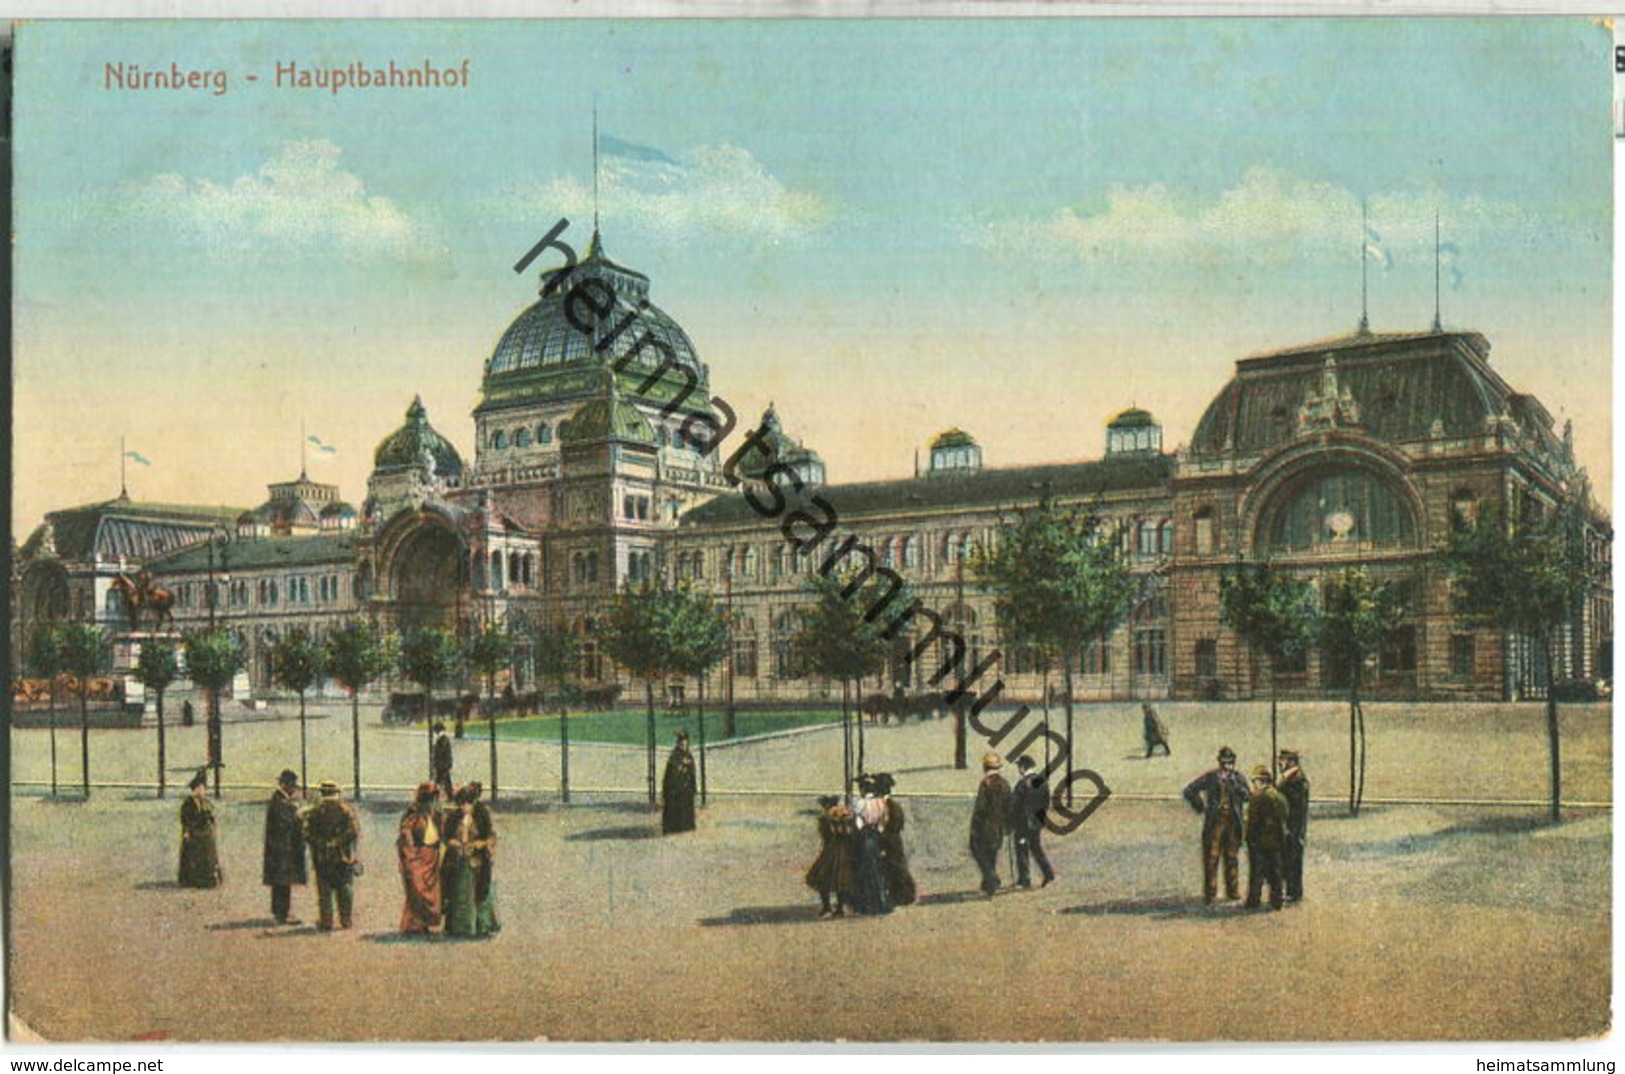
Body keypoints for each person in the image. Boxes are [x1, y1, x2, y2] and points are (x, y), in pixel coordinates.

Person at [1182, 746, 1249, 904]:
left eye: (1230, 762)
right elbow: (1189, 790)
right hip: (1215, 822)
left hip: (1233, 822)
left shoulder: (1238, 778)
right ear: (1220, 762)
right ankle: (1210, 893)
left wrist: (1238, 788)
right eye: (1225, 762)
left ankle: (1232, 891)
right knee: (1211, 858)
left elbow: (1248, 796)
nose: (1228, 766)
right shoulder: (1211, 777)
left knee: (1232, 857)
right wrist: (1201, 807)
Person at [442, 782, 500, 937]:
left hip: (476, 860)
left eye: (466, 804)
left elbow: (489, 837)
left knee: (479, 892)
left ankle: (482, 925)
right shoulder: (454, 817)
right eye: (461, 804)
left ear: (473, 803)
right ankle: (459, 927)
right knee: (459, 894)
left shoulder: (481, 815)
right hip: (458, 861)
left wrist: (476, 845)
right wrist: (455, 844)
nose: (463, 808)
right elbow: (447, 837)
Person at [303, 780, 361, 931]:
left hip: (322, 856)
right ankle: (346, 920)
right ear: (337, 793)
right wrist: (337, 842)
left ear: (322, 793)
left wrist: (322, 843)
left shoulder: (315, 811)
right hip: (343, 856)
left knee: (324, 890)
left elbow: (307, 833)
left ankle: (326, 922)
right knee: (345, 888)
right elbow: (353, 831)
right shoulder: (346, 809)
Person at [396, 781, 444, 934]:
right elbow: (406, 837)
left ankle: (425, 923)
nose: (434, 803)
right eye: (431, 799)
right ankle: (413, 925)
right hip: (417, 858)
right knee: (416, 891)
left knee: (431, 893)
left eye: (435, 799)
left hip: (432, 858)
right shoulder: (412, 816)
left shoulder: (436, 815)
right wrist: (412, 859)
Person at [261, 769, 306, 924]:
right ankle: (281, 914)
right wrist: (298, 815)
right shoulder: (278, 801)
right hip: (280, 850)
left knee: (283, 882)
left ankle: (282, 913)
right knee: (281, 882)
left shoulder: (282, 800)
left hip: (283, 849)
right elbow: (285, 823)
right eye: (291, 786)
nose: (294, 789)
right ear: (284, 785)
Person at [1243, 764, 1289, 911]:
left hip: (1259, 841)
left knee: (1256, 873)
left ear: (1261, 781)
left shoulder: (1256, 798)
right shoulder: (1279, 797)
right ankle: (1276, 901)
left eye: (1254, 781)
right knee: (1275, 872)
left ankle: (1253, 901)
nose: (1253, 784)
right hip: (1276, 841)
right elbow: (1284, 816)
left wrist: (1249, 839)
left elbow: (1252, 822)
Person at [805, 794, 857, 918]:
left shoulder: (826, 819)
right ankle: (839, 907)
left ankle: (827, 906)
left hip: (831, 851)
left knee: (824, 878)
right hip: (844, 851)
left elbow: (825, 836)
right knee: (841, 880)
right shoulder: (846, 817)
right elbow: (851, 833)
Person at [1010, 756, 1056, 888]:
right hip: (1036, 822)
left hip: (1023, 823)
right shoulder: (1042, 782)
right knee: (1036, 848)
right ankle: (1049, 874)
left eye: (1019, 767)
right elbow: (1046, 802)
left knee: (1021, 849)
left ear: (1023, 767)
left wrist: (1011, 820)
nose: (1019, 770)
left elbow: (1015, 805)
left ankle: (1024, 880)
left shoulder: (1022, 784)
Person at [969, 752, 1011, 897]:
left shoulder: (985, 784)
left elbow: (980, 807)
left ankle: (991, 879)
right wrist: (1007, 825)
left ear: (985, 767)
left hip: (985, 826)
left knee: (978, 851)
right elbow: (1009, 806)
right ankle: (987, 883)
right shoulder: (1005, 784)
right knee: (992, 853)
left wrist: (975, 826)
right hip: (998, 826)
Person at [873, 772, 917, 907]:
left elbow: (893, 824)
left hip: (890, 840)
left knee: (894, 867)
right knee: (893, 866)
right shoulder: (891, 804)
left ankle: (902, 895)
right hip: (892, 840)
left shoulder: (889, 805)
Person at [849, 774, 890, 914]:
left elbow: (858, 822)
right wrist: (878, 831)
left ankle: (864, 903)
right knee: (877, 869)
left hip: (864, 837)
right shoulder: (880, 803)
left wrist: (860, 831)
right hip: (876, 836)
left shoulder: (860, 803)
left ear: (863, 790)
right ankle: (880, 901)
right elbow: (884, 821)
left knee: (863, 869)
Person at [178, 768, 222, 888]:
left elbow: (211, 816)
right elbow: (185, 819)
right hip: (194, 832)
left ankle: (209, 877)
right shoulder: (188, 803)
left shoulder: (205, 802)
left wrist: (210, 823)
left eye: (203, 789)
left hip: (204, 833)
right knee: (194, 854)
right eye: (201, 789)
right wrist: (188, 830)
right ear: (195, 789)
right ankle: (193, 879)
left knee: (209, 849)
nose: (203, 791)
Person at [1277, 748, 1310, 902]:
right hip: (1289, 827)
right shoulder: (1289, 777)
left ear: (1292, 761)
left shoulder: (1297, 780)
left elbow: (1295, 807)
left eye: (1282, 760)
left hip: (1293, 827)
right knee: (1288, 859)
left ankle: (1294, 892)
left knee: (1293, 859)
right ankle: (1290, 891)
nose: (1279, 762)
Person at [661, 730, 697, 834]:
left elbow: (692, 773)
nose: (683, 745)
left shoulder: (689, 756)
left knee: (686, 808)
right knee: (674, 809)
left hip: (686, 789)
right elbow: (670, 775)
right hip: (675, 790)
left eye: (685, 743)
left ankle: (686, 826)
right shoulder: (674, 756)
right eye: (681, 743)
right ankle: (673, 828)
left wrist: (693, 787)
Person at [432, 722, 454, 797]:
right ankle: (448, 796)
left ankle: (437, 796)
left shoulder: (442, 739)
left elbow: (440, 753)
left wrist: (436, 764)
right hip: (443, 765)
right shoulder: (443, 739)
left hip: (442, 766)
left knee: (443, 782)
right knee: (445, 782)